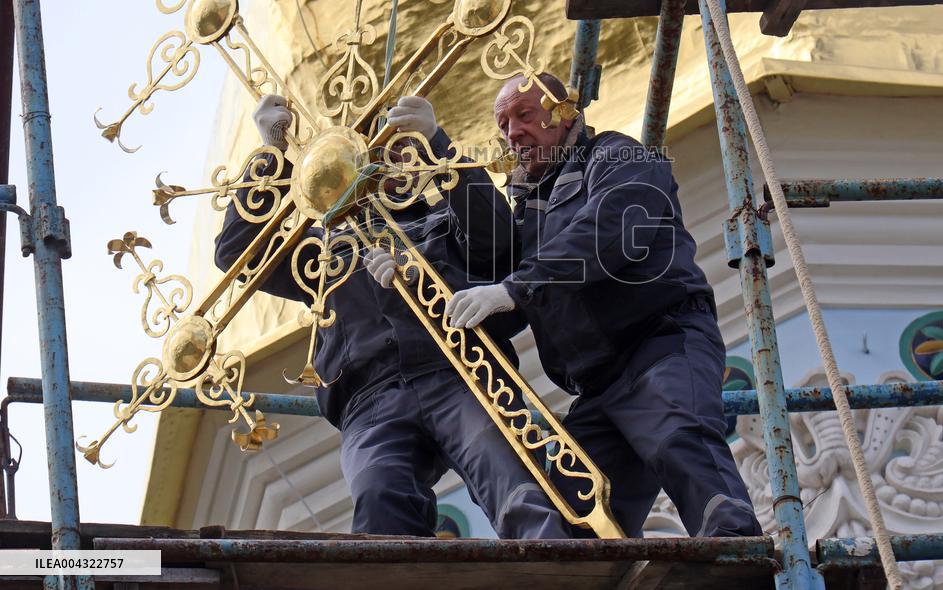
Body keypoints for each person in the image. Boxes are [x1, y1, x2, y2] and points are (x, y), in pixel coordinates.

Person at [215, 93, 571, 539]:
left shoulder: (443, 220)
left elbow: (497, 237)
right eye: (369, 156)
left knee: (514, 482)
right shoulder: (324, 252)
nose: (382, 169)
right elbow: (239, 255)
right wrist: (271, 153)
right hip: (370, 398)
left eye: (395, 154)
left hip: (459, 370)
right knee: (380, 498)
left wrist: (438, 141)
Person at [445, 73, 763, 539]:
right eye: (504, 124)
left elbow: (610, 231)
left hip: (660, 344)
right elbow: (506, 290)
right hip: (598, 384)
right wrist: (406, 278)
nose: (512, 134)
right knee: (571, 506)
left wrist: (515, 288)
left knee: (682, 444)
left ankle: (737, 556)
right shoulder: (527, 209)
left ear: (564, 113)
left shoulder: (619, 155)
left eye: (525, 115)